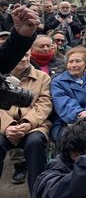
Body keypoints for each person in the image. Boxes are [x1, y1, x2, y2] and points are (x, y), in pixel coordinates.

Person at [0, 50, 52, 195]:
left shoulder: (42, 77)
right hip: (3, 127)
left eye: (27, 55)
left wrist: (28, 123)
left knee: (35, 143)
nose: (24, 59)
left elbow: (44, 104)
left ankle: (38, 192)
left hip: (34, 126)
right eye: (19, 55)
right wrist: (8, 126)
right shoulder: (1, 76)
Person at [50, 47, 86, 142]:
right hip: (65, 121)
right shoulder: (58, 81)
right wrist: (79, 114)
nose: (73, 65)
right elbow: (63, 103)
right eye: (70, 62)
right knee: (72, 140)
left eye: (78, 61)